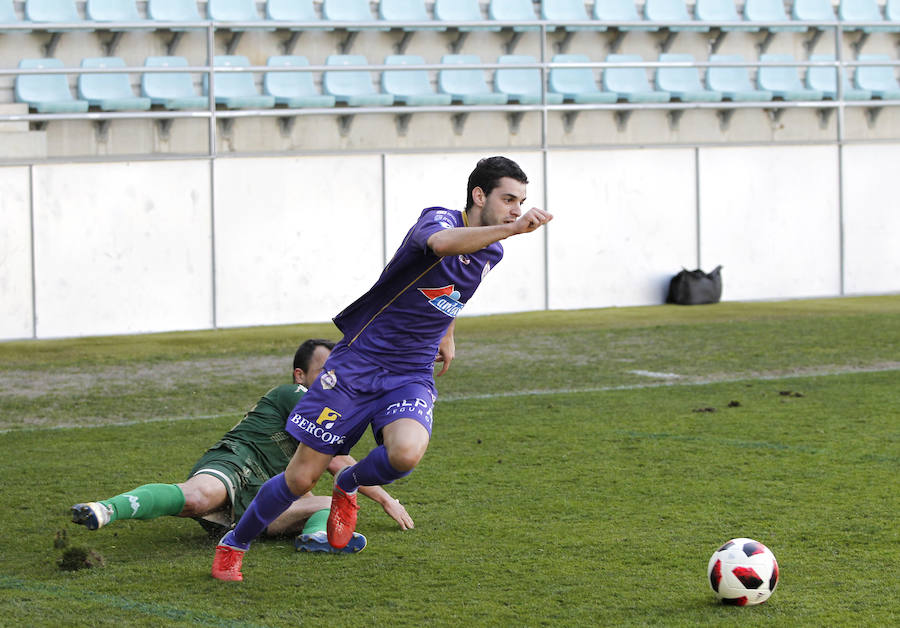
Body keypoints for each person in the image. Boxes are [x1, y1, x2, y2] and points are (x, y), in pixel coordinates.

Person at [212, 155, 553, 581]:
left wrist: (447, 333)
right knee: (300, 479)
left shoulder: (493, 252)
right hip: (358, 363)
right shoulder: (437, 219)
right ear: (478, 195)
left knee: (405, 453)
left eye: (521, 203)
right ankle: (234, 543)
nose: (516, 211)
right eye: (508, 199)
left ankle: (349, 483)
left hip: (410, 371)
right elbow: (443, 245)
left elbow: (450, 294)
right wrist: (510, 229)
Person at [71, 339, 413, 555]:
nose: (332, 378)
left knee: (327, 503)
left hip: (265, 496)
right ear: (299, 375)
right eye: (325, 371)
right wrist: (386, 499)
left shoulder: (328, 408)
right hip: (237, 464)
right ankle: (107, 509)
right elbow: (339, 463)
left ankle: (315, 540)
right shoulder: (294, 395)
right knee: (197, 498)